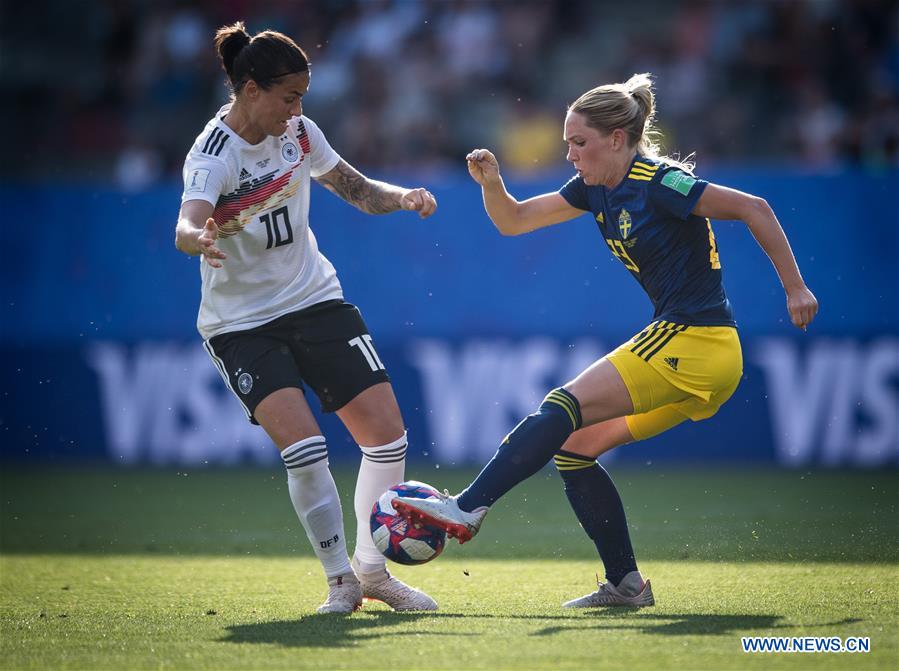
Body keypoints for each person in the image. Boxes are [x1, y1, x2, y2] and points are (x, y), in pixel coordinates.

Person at [394, 73, 819, 608]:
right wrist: (492, 185)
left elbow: (754, 207)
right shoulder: (597, 187)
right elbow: (515, 221)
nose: (570, 154)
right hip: (697, 354)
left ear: (617, 139)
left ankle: (469, 507)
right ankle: (626, 584)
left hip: (697, 338)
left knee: (561, 406)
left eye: (580, 142)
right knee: (574, 447)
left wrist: (795, 287)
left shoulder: (659, 181)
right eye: (567, 142)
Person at [174, 22, 439, 614]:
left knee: (387, 434)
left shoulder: (299, 132)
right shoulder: (212, 153)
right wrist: (201, 236)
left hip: (314, 297)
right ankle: (339, 580)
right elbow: (186, 223)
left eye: (302, 98)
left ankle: (373, 573)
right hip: (241, 323)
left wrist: (402, 198)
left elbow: (356, 188)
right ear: (249, 89)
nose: (297, 110)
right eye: (288, 97)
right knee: (306, 448)